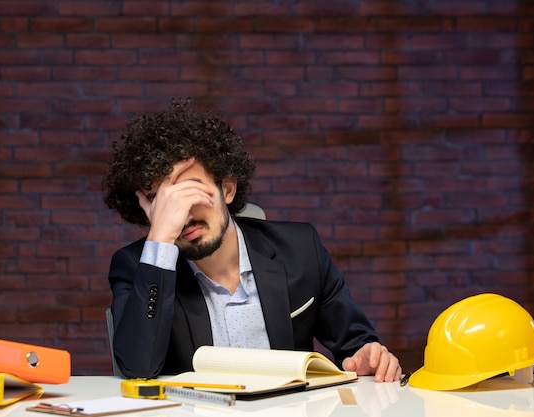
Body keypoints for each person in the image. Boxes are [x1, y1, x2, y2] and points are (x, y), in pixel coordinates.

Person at [103, 99, 402, 382]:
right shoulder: (136, 266)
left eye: (191, 193)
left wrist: (366, 357)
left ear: (228, 189)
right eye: (167, 204)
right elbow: (138, 368)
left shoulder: (300, 250)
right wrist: (160, 239)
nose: (183, 216)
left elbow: (355, 346)